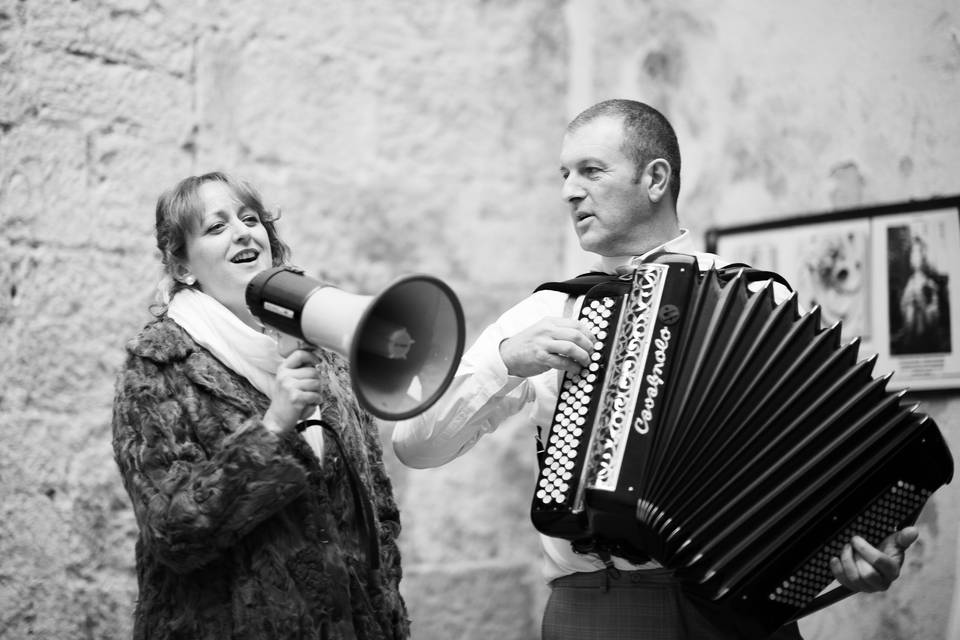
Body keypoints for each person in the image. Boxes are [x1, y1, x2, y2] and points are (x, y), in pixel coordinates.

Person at [392, 99, 918, 639]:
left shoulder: (759, 297)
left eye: (591, 170)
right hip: (601, 609)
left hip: (741, 604)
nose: (570, 190)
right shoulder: (548, 313)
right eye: (564, 174)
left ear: (656, 178)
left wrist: (862, 552)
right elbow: (415, 443)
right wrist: (503, 361)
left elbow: (822, 459)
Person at [112, 172, 409, 640]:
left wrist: (384, 603)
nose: (243, 231)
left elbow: (375, 508)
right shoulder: (159, 366)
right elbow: (172, 531)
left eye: (250, 219)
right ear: (182, 266)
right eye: (215, 227)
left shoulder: (323, 349)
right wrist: (273, 427)